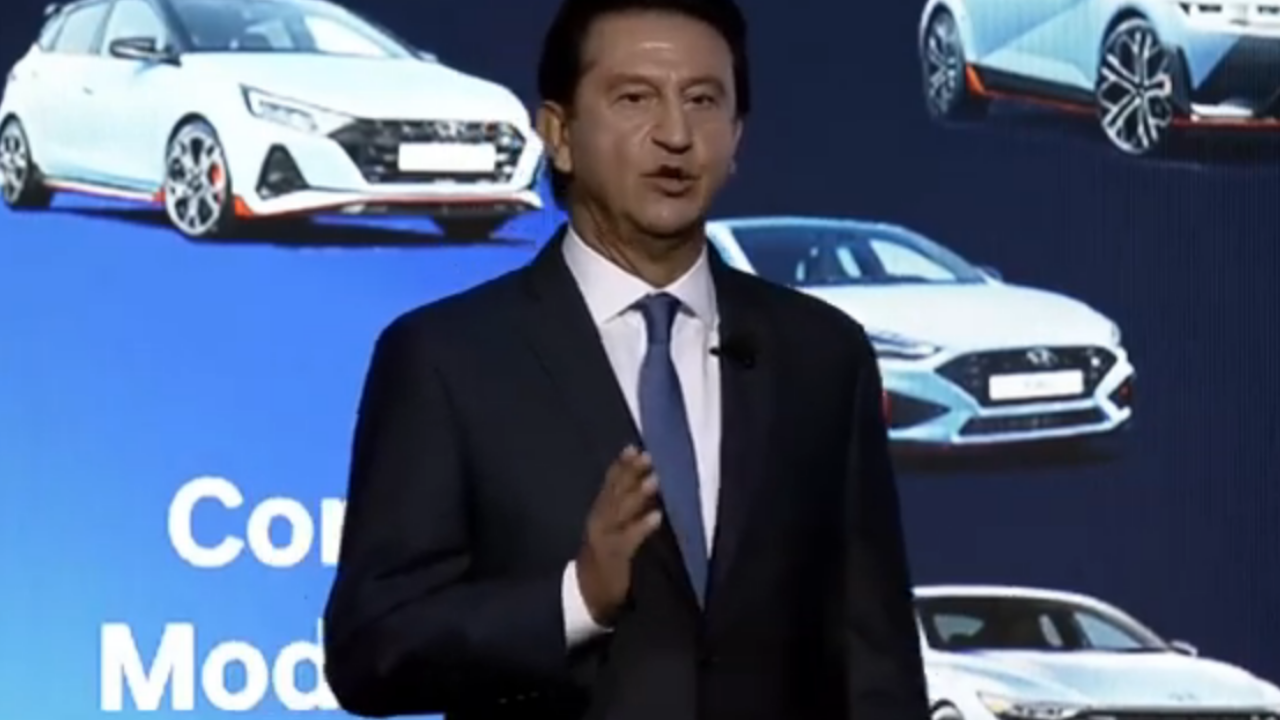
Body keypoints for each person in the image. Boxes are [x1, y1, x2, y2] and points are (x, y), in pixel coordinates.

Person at [321, 0, 930, 717]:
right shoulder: (446, 359)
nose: (675, 134)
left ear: (736, 137)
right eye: (635, 98)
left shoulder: (822, 355)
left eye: (703, 100)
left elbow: (874, 659)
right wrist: (575, 599)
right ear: (559, 134)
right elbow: (372, 648)